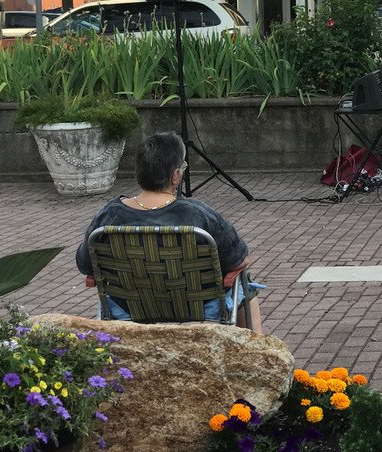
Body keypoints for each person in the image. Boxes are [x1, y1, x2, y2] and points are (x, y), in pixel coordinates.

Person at [76, 132, 264, 333]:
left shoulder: (109, 215)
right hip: (199, 305)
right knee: (245, 285)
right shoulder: (199, 215)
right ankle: (258, 349)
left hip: (128, 306)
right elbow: (240, 259)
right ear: (175, 176)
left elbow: (85, 264)